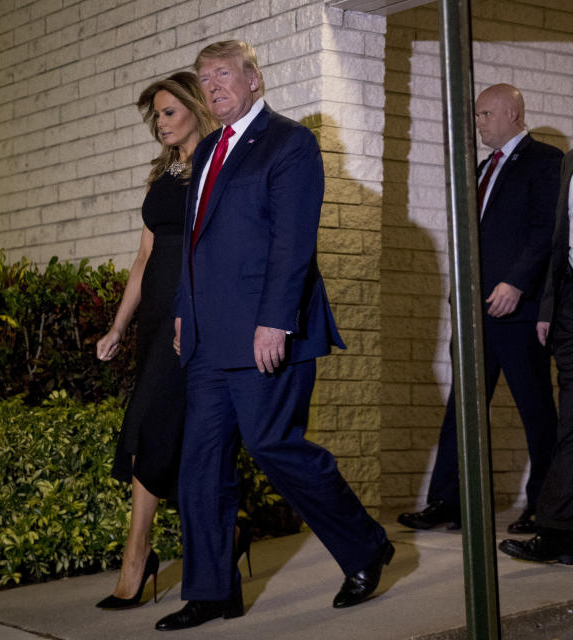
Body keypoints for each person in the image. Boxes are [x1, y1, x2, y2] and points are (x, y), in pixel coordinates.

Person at [155, 40, 392, 632]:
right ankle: (211, 593)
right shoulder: (208, 147)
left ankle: (365, 548)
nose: (212, 87)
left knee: (274, 448)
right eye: (204, 79)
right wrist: (185, 310)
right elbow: (194, 242)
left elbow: (293, 242)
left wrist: (276, 321)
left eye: (223, 75)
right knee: (200, 464)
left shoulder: (290, 143)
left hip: (265, 331)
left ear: (254, 79)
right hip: (209, 338)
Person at [397, 84, 560, 535]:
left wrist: (516, 283)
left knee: (535, 408)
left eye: (486, 113)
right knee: (463, 408)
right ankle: (449, 501)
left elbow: (545, 230)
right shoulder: (482, 168)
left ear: (512, 112)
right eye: (476, 115)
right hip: (474, 312)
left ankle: (545, 507)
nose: (479, 122)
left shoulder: (545, 161)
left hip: (517, 309)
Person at [94, 71, 219, 609]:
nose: (161, 123)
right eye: (157, 115)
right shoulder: (161, 178)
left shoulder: (219, 168)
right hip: (154, 323)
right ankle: (224, 536)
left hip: (194, 319)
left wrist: (192, 316)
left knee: (150, 429)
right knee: (174, 432)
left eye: (170, 112)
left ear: (195, 108)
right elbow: (144, 259)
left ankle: (137, 556)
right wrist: (119, 326)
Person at [499, 148, 573, 565]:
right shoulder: (569, 162)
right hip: (567, 307)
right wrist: (548, 309)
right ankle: (559, 533)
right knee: (570, 425)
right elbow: (559, 241)